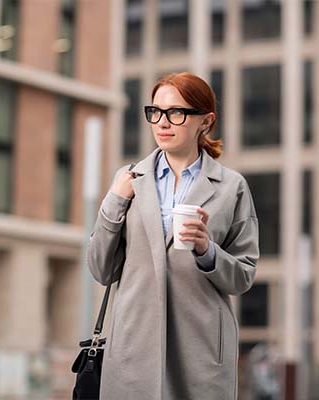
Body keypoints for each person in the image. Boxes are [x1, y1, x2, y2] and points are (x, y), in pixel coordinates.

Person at [87, 72, 259, 399]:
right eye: (155, 112)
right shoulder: (129, 180)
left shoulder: (232, 188)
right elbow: (100, 269)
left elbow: (243, 276)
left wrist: (207, 250)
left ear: (205, 121)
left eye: (176, 113)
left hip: (200, 352)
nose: (162, 123)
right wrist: (115, 201)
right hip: (134, 351)